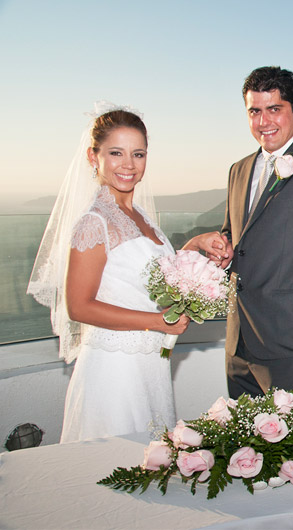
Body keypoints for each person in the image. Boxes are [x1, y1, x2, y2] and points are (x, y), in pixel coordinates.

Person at [190, 66, 293, 403]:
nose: (264, 122)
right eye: (255, 111)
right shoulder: (238, 170)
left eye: (274, 109)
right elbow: (237, 238)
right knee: (242, 450)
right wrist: (221, 251)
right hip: (239, 341)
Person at [28, 105, 190, 443]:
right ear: (94, 156)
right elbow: (80, 307)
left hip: (151, 367)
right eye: (116, 153)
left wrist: (192, 246)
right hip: (115, 371)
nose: (128, 164)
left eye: (138, 153)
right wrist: (157, 322)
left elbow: (146, 277)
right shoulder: (95, 222)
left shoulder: (139, 214)